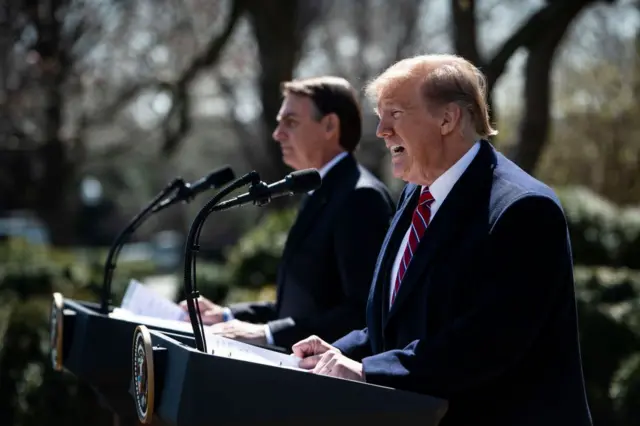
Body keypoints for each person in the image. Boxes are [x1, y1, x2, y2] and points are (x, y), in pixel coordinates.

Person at [292, 55, 593, 426]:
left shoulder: (524, 209)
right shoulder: (415, 195)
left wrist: (367, 370)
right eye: (379, 116)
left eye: (395, 114)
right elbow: (398, 324)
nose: (381, 130)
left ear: (448, 119)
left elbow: (485, 343)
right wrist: (335, 352)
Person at [184, 76, 395, 351]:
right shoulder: (318, 190)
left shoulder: (359, 197)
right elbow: (302, 304)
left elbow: (362, 314)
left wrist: (270, 334)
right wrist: (227, 316)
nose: (277, 133)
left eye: (291, 122)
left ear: (330, 125)